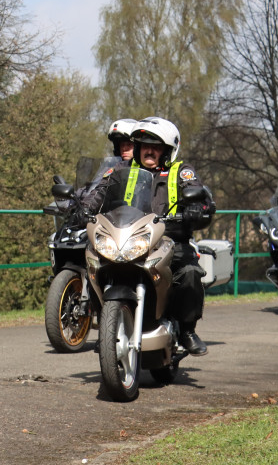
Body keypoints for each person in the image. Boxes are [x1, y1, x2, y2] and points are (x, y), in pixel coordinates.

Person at [81, 117, 215, 356]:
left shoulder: (181, 171)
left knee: (190, 273)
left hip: (171, 239)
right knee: (94, 260)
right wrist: (83, 207)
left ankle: (187, 330)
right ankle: (106, 325)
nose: (149, 150)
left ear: (168, 150)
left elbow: (200, 195)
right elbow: (99, 192)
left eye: (156, 146)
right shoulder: (122, 170)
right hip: (129, 236)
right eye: (144, 145)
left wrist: (198, 208)